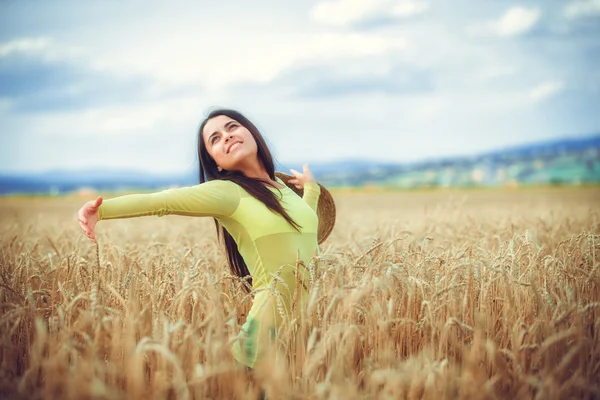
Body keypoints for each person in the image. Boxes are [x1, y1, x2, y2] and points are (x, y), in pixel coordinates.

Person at [77, 108, 334, 377]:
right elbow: (163, 201)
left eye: (232, 127)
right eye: (215, 138)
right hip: (262, 345)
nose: (227, 136)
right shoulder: (227, 193)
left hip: (306, 339)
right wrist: (102, 210)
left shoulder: (283, 191)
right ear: (217, 163)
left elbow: (308, 227)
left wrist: (312, 189)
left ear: (252, 133)